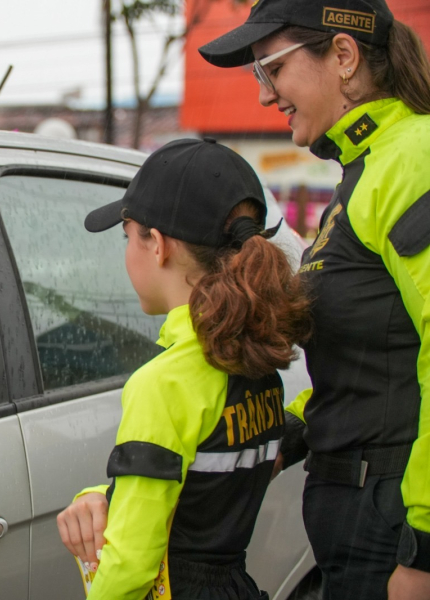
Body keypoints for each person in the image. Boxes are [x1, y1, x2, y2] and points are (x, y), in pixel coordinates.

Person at [197, 0, 430, 597]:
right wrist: (291, 430)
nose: (264, 96)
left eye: (269, 69)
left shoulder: (412, 159)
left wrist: (424, 551)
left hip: (393, 529)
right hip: (359, 517)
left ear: (344, 55)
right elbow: (373, 364)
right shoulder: (364, 170)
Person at [57, 138, 311, 599]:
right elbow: (201, 492)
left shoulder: (164, 383)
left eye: (127, 235)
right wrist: (107, 495)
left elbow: (129, 569)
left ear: (158, 245)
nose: (127, 251)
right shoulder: (257, 364)